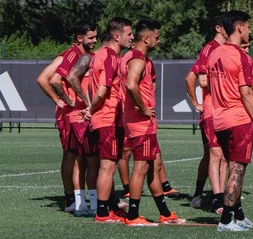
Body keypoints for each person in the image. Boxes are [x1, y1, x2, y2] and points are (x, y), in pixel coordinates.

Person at [121, 18, 185, 226]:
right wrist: (142, 108)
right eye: (156, 37)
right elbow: (131, 85)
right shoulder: (137, 59)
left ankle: (164, 213)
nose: (159, 41)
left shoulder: (137, 58)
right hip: (140, 123)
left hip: (143, 123)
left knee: (154, 166)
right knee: (141, 168)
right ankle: (133, 216)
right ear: (146, 38)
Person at [207, 10, 253, 231]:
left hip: (219, 120)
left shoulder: (214, 53)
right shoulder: (242, 57)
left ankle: (238, 216)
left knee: (232, 168)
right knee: (237, 170)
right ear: (240, 28)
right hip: (239, 119)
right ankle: (225, 221)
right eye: (248, 27)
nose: (249, 31)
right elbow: (246, 93)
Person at [36, 21, 99, 215]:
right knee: (74, 156)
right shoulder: (72, 54)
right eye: (91, 37)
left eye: (96, 37)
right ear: (79, 38)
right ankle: (71, 199)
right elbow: (45, 78)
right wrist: (60, 99)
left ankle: (77, 199)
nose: (94, 41)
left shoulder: (80, 55)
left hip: (75, 113)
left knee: (77, 156)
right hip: (70, 115)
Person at [84, 17, 135, 223]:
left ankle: (109, 207)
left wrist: (90, 109)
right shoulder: (111, 57)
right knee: (107, 166)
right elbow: (102, 90)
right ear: (116, 36)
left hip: (103, 118)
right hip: (108, 119)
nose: (132, 37)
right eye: (129, 34)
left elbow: (93, 87)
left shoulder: (99, 54)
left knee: (106, 165)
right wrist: (92, 108)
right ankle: (102, 212)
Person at [185, 14, 227, 211]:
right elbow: (192, 78)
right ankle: (210, 196)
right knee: (214, 155)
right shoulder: (210, 49)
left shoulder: (227, 49)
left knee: (218, 156)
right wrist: (196, 103)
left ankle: (208, 195)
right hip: (212, 112)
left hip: (225, 111)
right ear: (219, 28)